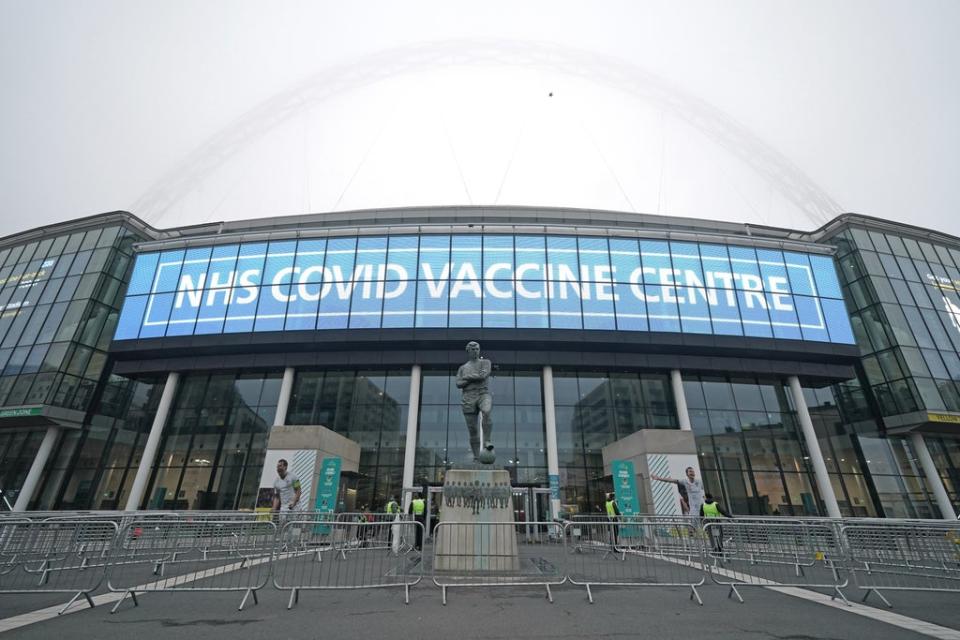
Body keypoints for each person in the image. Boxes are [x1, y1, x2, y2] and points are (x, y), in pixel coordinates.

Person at [456, 341, 494, 461]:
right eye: (473, 349)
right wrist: (474, 377)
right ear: (468, 351)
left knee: (487, 411)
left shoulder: (485, 362)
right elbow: (458, 383)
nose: (476, 351)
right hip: (468, 397)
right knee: (472, 429)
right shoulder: (463, 368)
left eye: (477, 349)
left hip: (483, 393)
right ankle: (477, 457)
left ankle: (487, 441)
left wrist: (467, 378)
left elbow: (483, 376)